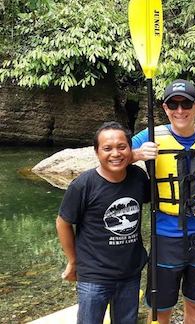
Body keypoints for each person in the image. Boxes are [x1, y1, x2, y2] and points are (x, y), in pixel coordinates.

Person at [131, 79, 195, 324]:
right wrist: (138, 154)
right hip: (165, 235)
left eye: (186, 104)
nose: (180, 111)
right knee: (161, 306)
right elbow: (111, 156)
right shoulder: (149, 135)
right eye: (173, 104)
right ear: (165, 108)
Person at [56, 121, 150, 324]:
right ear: (97, 152)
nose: (115, 153)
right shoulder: (84, 185)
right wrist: (73, 260)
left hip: (130, 272)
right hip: (93, 276)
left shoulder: (138, 177)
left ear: (130, 149)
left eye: (122, 147)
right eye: (107, 148)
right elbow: (63, 223)